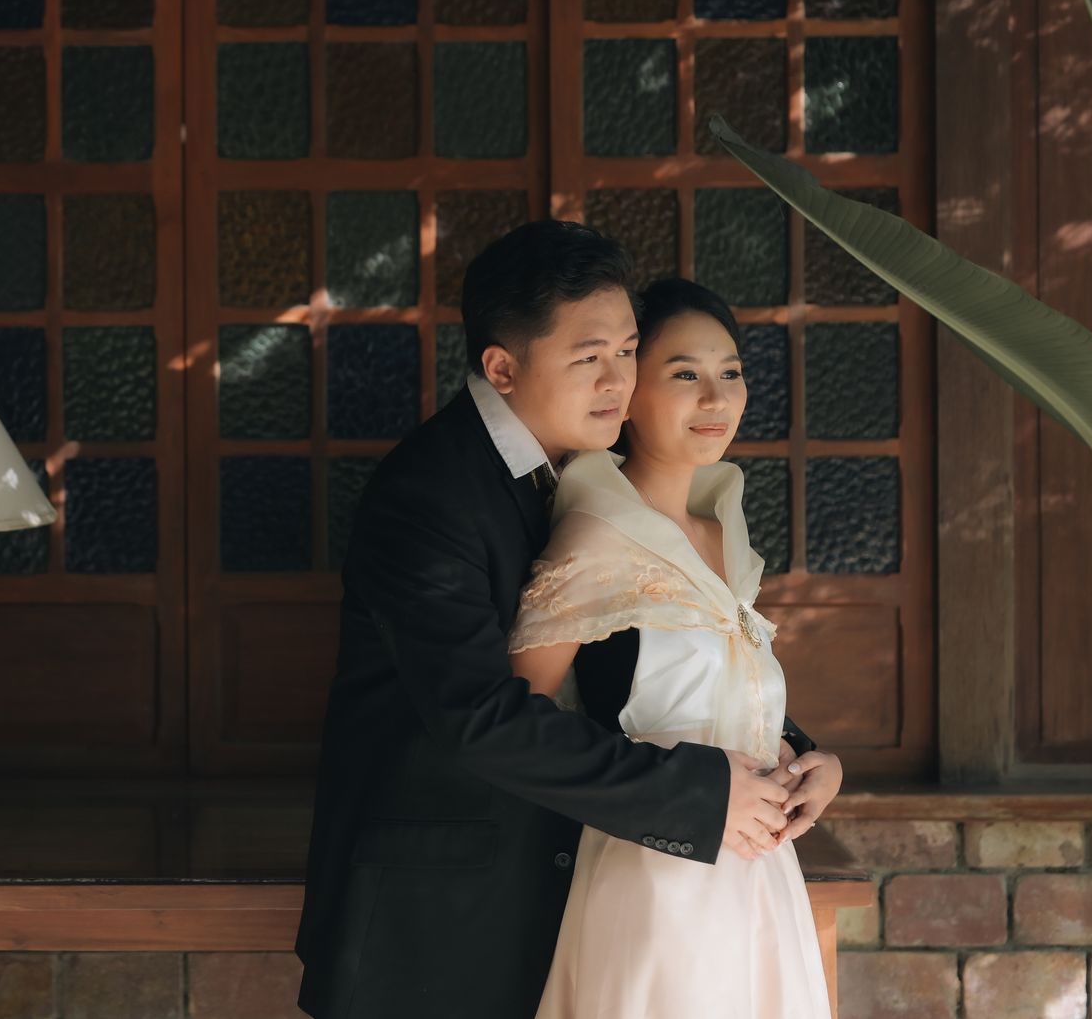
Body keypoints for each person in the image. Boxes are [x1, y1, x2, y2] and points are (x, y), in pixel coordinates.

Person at [294, 222, 813, 1019]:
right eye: (589, 357)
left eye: (628, 351)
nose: (618, 380)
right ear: (502, 367)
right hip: (434, 920)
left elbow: (637, 655)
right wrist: (703, 797)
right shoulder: (431, 493)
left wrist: (794, 754)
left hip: (571, 901)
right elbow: (479, 715)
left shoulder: (589, 474)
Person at [509, 276, 844, 1017]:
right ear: (628, 394)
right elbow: (519, 726)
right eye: (685, 374)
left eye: (731, 372)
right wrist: (683, 787)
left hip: (759, 879)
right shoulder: (595, 536)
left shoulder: (725, 535)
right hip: (655, 878)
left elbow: (727, 698)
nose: (716, 398)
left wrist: (810, 762)